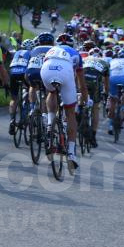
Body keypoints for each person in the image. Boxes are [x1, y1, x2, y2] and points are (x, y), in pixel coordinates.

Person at [41, 33, 89, 174]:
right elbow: (81, 83)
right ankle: (71, 153)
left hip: (47, 68)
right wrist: (84, 99)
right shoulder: (76, 54)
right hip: (65, 71)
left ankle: (50, 124)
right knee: (70, 113)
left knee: (52, 92)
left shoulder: (51, 49)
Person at [82, 47, 109, 147]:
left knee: (81, 97)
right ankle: (93, 135)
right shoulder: (104, 62)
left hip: (83, 80)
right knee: (95, 108)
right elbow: (106, 82)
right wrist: (106, 93)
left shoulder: (84, 59)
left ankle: (80, 112)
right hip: (95, 83)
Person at [25, 32, 55, 117]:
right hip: (46, 72)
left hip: (32, 71)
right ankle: (46, 115)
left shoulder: (34, 49)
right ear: (52, 42)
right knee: (49, 91)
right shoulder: (55, 48)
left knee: (32, 86)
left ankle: (32, 107)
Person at [8, 39, 34, 135]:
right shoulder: (32, 53)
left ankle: (12, 120)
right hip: (24, 73)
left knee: (14, 99)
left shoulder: (17, 52)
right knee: (30, 90)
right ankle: (24, 117)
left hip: (13, 73)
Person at [107, 48, 124, 135]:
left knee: (112, 100)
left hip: (113, 78)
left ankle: (110, 126)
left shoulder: (112, 60)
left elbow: (107, 73)